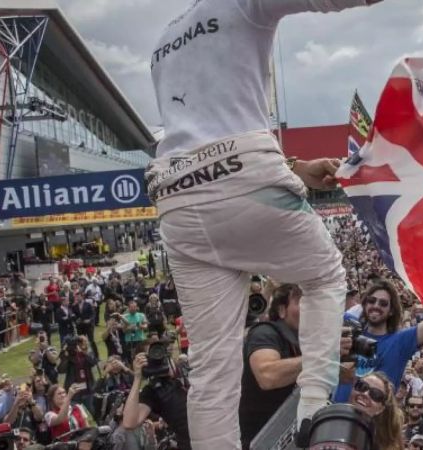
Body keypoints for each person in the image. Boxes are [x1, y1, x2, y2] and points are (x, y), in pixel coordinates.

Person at [144, 0, 399, 447]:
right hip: (244, 180)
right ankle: (313, 410)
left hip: (177, 199)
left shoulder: (163, 41)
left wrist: (295, 165)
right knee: (324, 277)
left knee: (211, 368)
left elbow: (211, 129)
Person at [239, 283, 353, 448]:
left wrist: (338, 363)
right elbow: (267, 376)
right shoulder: (265, 332)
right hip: (253, 440)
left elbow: (348, 378)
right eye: (301, 300)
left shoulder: (309, 343)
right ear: (281, 310)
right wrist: (323, 353)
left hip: (286, 439)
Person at [334, 280, 423, 402]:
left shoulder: (400, 341)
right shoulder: (349, 327)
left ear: (391, 311)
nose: (376, 305)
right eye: (371, 300)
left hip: (373, 418)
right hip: (336, 413)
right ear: (364, 304)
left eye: (383, 303)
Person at [121, 351, 190, 450]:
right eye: (151, 359)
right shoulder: (154, 390)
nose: (159, 360)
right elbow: (129, 423)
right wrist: (137, 378)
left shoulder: (188, 371)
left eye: (161, 354)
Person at [347, 373, 404, 450]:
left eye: (375, 394)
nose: (365, 394)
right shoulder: (329, 418)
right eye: (362, 386)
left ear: (380, 409)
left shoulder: (381, 445)